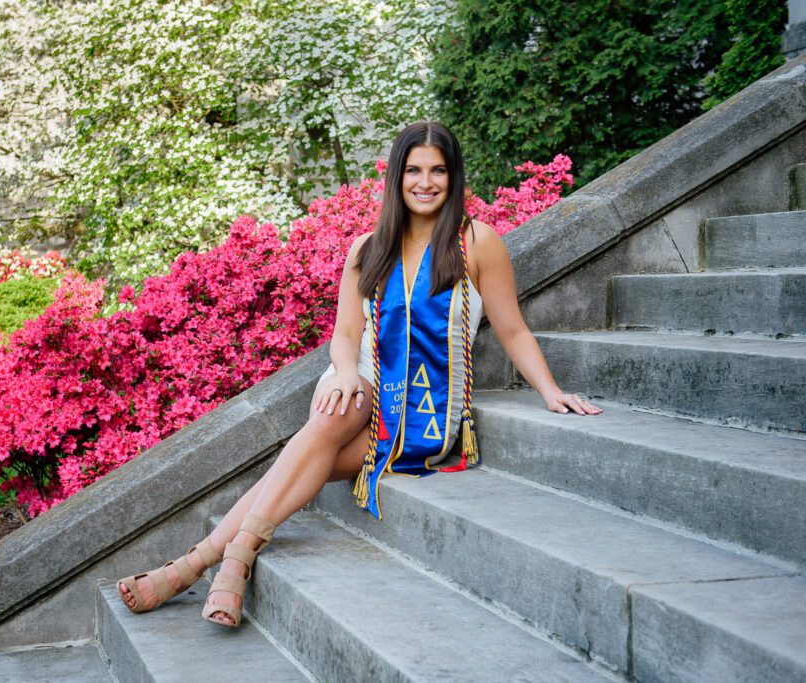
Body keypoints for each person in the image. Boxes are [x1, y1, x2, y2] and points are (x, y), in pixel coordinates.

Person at [116, 121, 603, 628]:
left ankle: (196, 562)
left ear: (454, 177)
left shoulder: (476, 243)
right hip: (361, 388)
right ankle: (232, 562)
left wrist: (550, 392)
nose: (425, 182)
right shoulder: (367, 248)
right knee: (337, 407)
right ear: (396, 177)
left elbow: (513, 329)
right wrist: (345, 373)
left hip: (425, 414)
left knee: (307, 460)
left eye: (438, 171)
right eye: (413, 170)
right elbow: (346, 335)